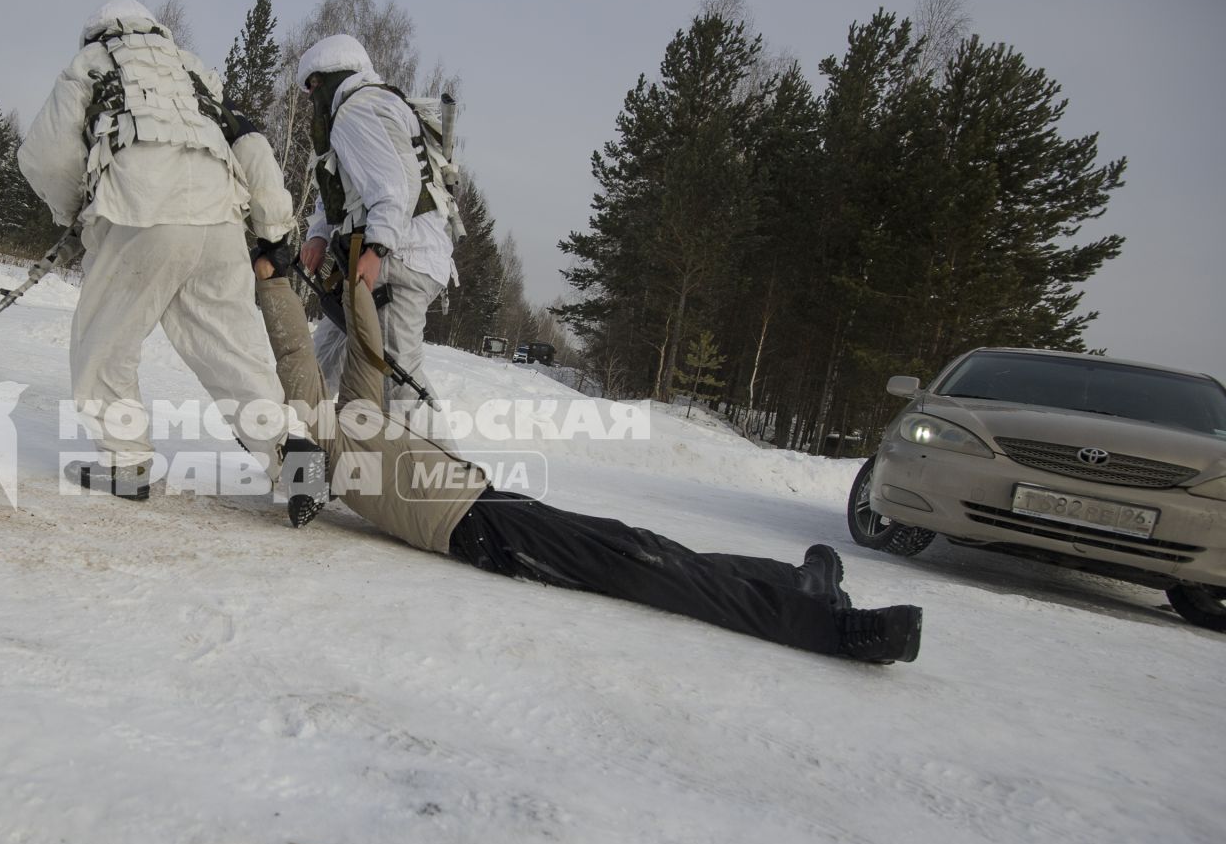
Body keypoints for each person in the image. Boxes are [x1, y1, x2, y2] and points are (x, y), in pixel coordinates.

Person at [242, 248, 925, 664]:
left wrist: (356, 281)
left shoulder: (354, 415)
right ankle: (833, 629)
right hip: (485, 534)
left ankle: (795, 583)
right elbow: (299, 359)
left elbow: (365, 350)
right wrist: (272, 278)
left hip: (492, 505)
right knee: (646, 568)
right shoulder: (320, 441)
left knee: (645, 547)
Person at [18, 0, 316, 502]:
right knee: (233, 351)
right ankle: (292, 457)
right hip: (221, 220)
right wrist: (273, 228)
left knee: (104, 342)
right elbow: (253, 144)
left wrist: (78, 213)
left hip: (142, 215)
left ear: (98, 33)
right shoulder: (194, 73)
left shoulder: (89, 66)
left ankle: (126, 462)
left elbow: (47, 156)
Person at [294, 34, 455, 409]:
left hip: (398, 262)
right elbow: (341, 187)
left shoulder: (357, 111)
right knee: (323, 364)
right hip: (384, 260)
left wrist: (378, 248)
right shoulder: (366, 107)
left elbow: (396, 186)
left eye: (314, 84)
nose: (311, 96)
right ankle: (303, 451)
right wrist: (318, 234)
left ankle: (443, 468)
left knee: (396, 382)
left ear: (332, 76)